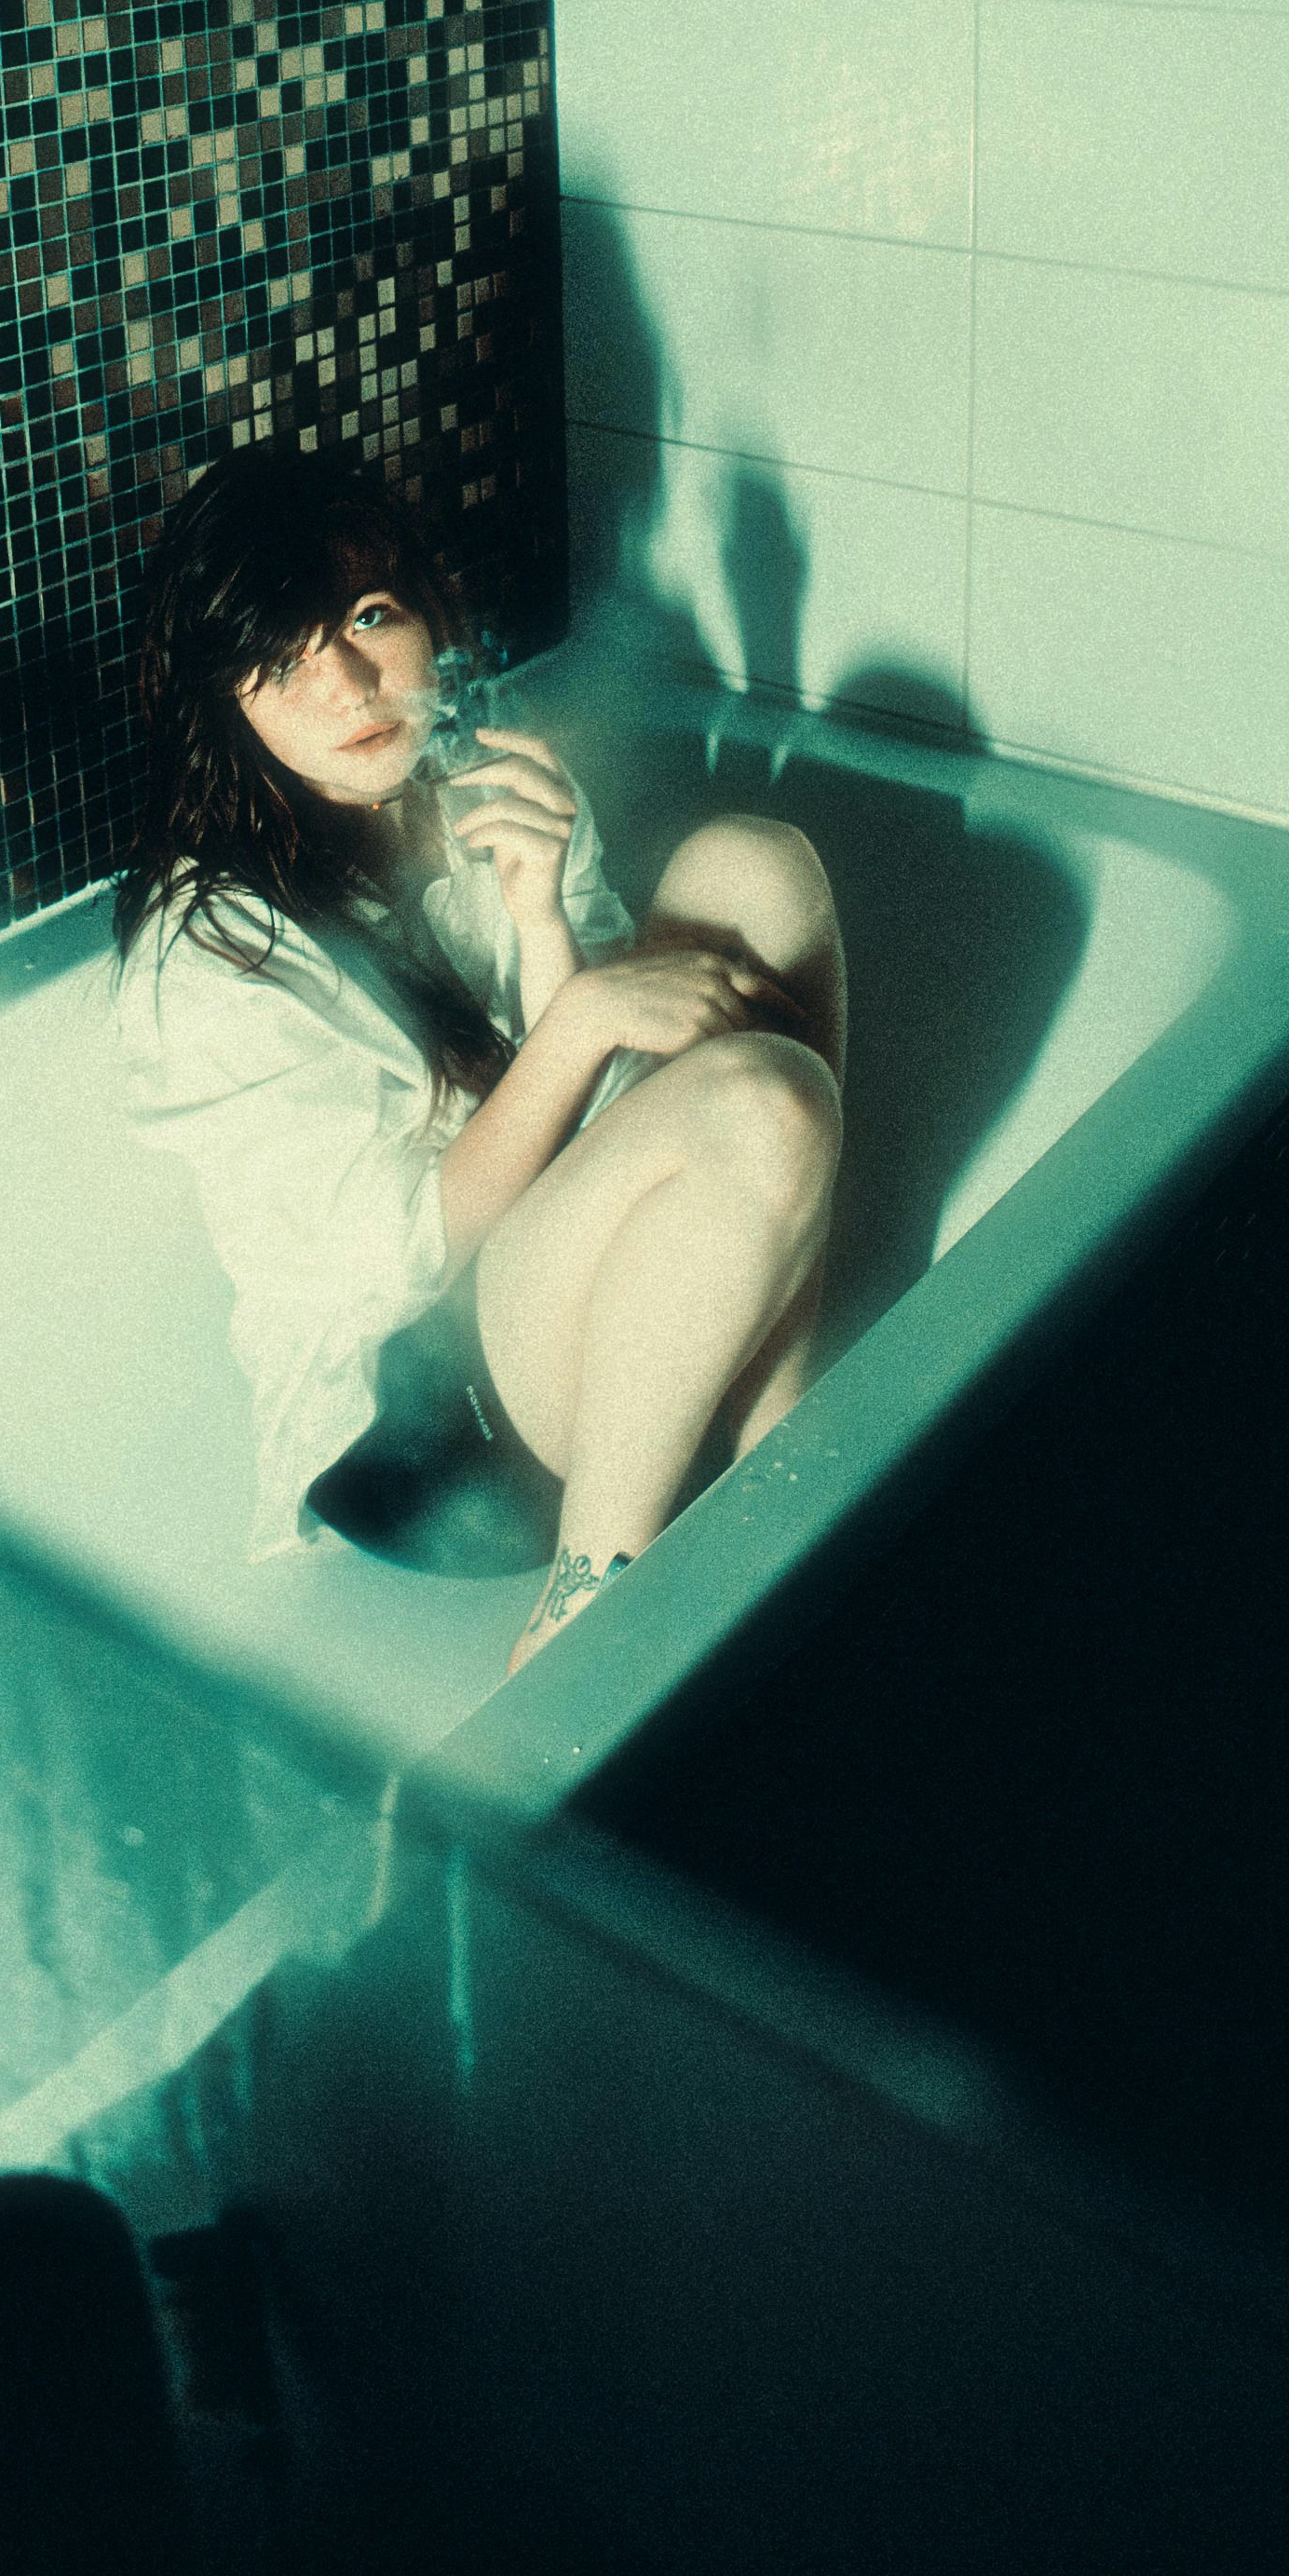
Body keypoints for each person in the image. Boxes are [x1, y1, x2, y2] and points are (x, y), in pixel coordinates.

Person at [113, 448, 845, 1665]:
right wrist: (579, 1020)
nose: (347, 683)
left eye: (366, 618)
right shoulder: (204, 965)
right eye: (283, 659)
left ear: (424, 616)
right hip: (425, 1441)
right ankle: (578, 1622)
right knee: (765, 1106)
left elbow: (606, 1099)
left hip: (555, 1321)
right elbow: (397, 1263)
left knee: (755, 868)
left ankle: (785, 1460)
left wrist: (546, 919)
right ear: (225, 704)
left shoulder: (485, 787)